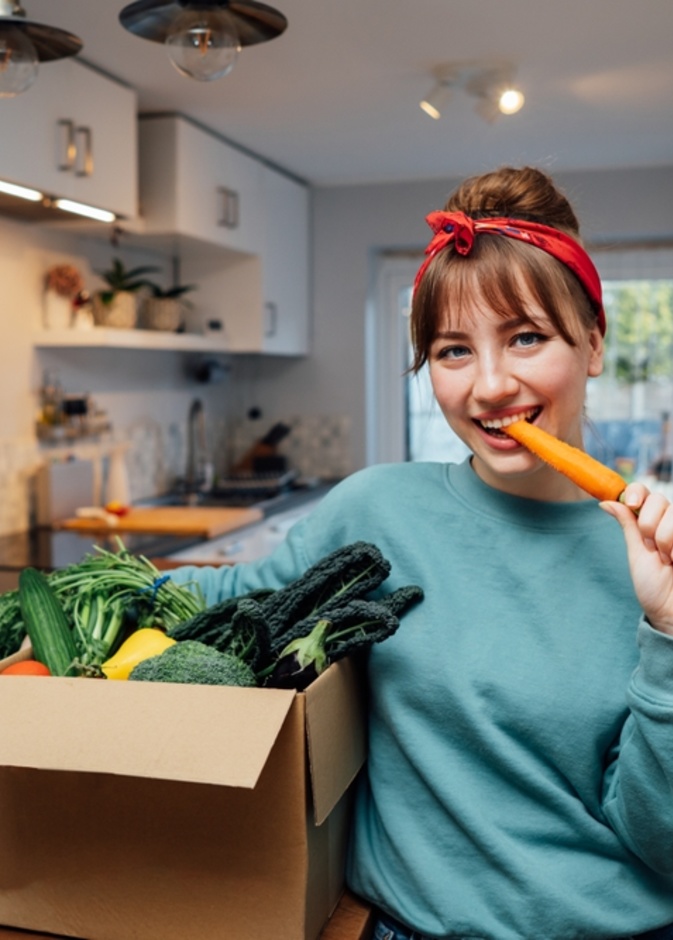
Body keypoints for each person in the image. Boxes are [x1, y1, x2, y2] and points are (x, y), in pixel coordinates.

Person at [170, 166, 673, 940]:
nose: (489, 387)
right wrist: (78, 598)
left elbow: (660, 840)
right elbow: (229, 604)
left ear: (593, 344)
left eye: (527, 338)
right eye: (451, 351)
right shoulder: (379, 510)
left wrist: (666, 628)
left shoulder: (656, 558)